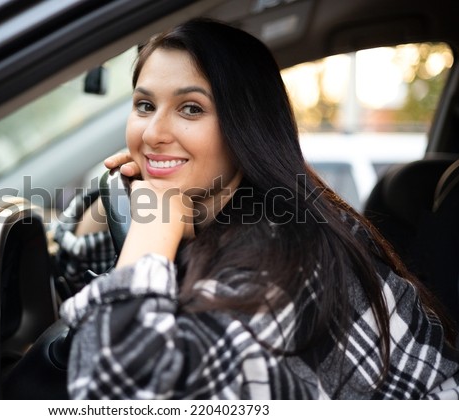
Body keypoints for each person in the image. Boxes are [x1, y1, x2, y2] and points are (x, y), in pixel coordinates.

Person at [54, 18, 459, 399]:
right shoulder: (216, 218)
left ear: (245, 128)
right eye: (144, 106)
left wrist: (152, 226)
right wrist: (117, 199)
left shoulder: (284, 256)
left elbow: (114, 394)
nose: (154, 133)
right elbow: (74, 278)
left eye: (191, 108)